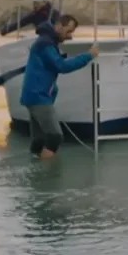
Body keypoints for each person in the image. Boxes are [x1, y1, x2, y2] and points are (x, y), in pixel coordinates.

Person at [20, 15, 97, 158]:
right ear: (59, 26)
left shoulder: (46, 42)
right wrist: (88, 56)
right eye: (68, 31)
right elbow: (61, 66)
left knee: (40, 139)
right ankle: (46, 174)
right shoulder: (46, 44)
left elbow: (51, 65)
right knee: (55, 137)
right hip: (39, 97)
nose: (69, 36)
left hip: (34, 95)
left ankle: (35, 170)